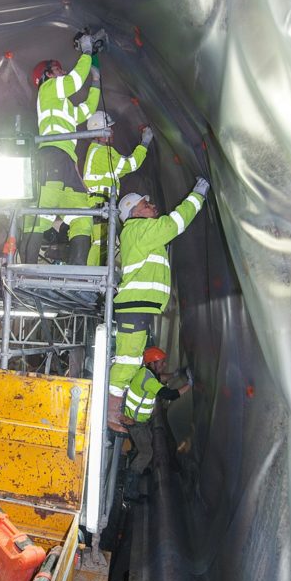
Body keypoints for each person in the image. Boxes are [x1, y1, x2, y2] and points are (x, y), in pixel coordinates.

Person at [107, 176, 210, 417]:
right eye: (146, 205)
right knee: (128, 361)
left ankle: (113, 410)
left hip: (138, 307)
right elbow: (173, 224)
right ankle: (111, 411)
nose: (153, 206)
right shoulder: (140, 230)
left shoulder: (137, 232)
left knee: (129, 359)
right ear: (133, 213)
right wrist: (198, 195)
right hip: (136, 307)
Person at [21, 33, 102, 265]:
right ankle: (26, 273)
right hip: (52, 157)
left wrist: (95, 83)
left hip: (66, 160)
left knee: (82, 215)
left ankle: (79, 275)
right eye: (57, 69)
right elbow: (75, 81)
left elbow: (86, 111)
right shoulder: (48, 89)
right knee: (39, 214)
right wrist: (86, 53)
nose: (62, 71)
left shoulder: (62, 104)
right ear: (47, 75)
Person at [122, 346, 193, 501]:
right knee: (146, 452)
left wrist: (175, 374)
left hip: (138, 420)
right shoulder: (148, 379)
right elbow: (169, 394)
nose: (164, 365)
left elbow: (160, 378)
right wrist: (190, 385)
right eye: (161, 363)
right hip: (136, 423)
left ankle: (139, 467)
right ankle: (129, 491)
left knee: (145, 446)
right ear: (152, 364)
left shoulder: (145, 373)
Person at [83, 111, 153, 265]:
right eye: (109, 128)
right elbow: (130, 165)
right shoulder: (102, 152)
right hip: (100, 203)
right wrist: (145, 143)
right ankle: (94, 277)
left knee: (103, 242)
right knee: (101, 243)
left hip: (100, 202)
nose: (112, 131)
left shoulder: (96, 152)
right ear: (100, 131)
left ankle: (97, 276)